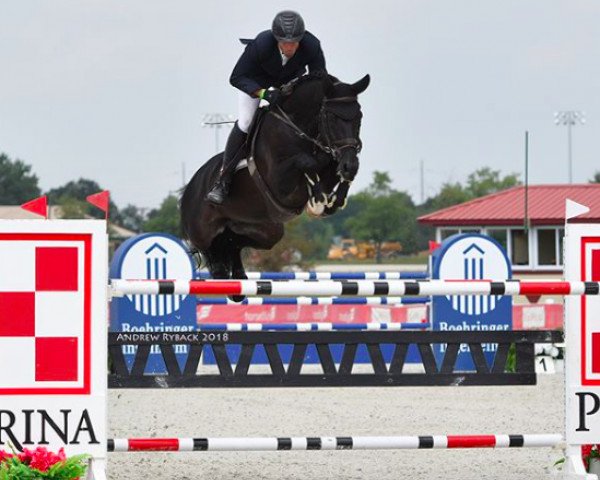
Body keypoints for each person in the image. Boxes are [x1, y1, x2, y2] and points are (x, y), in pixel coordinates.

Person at [206, 10, 327, 205]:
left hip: (289, 81)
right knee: (246, 122)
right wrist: (262, 93)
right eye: (285, 43)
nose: (290, 47)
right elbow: (236, 77)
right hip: (255, 83)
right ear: (277, 39)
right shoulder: (261, 44)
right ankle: (223, 181)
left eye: (294, 42)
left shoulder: (312, 45)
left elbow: (319, 78)